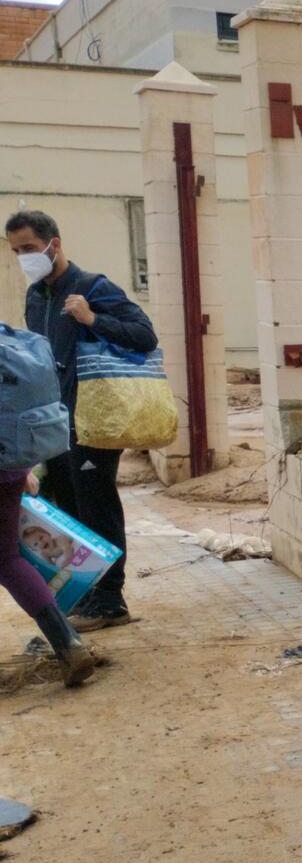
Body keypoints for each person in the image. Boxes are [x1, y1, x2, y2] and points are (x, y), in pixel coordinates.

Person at [6, 210, 156, 632]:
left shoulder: (94, 287)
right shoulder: (37, 296)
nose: (25, 258)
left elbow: (144, 335)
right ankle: (87, 592)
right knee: (67, 507)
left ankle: (111, 600)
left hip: (94, 419)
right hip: (55, 424)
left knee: (97, 505)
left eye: (30, 249)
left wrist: (93, 319)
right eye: (17, 251)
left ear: (55, 243)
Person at [0, 466, 96, 686]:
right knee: (7, 560)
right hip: (8, 469)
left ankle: (69, 645)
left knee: (5, 560)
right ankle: (69, 644)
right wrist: (23, 468)